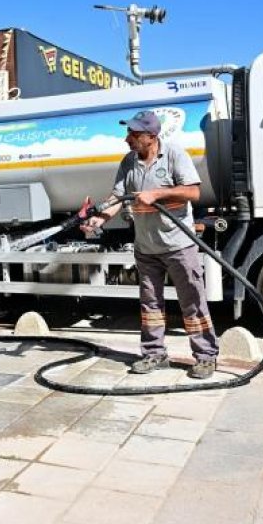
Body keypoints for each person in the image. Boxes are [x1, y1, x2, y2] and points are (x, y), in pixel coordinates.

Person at [81, 110, 219, 379]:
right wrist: (99, 219)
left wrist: (157, 193)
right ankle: (154, 354)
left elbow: (193, 191)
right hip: (146, 248)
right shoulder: (128, 162)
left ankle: (205, 357)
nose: (127, 139)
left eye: (133, 134)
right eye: (128, 133)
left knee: (192, 302)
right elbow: (119, 197)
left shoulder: (175, 155)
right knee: (150, 305)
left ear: (151, 136)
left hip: (178, 245)